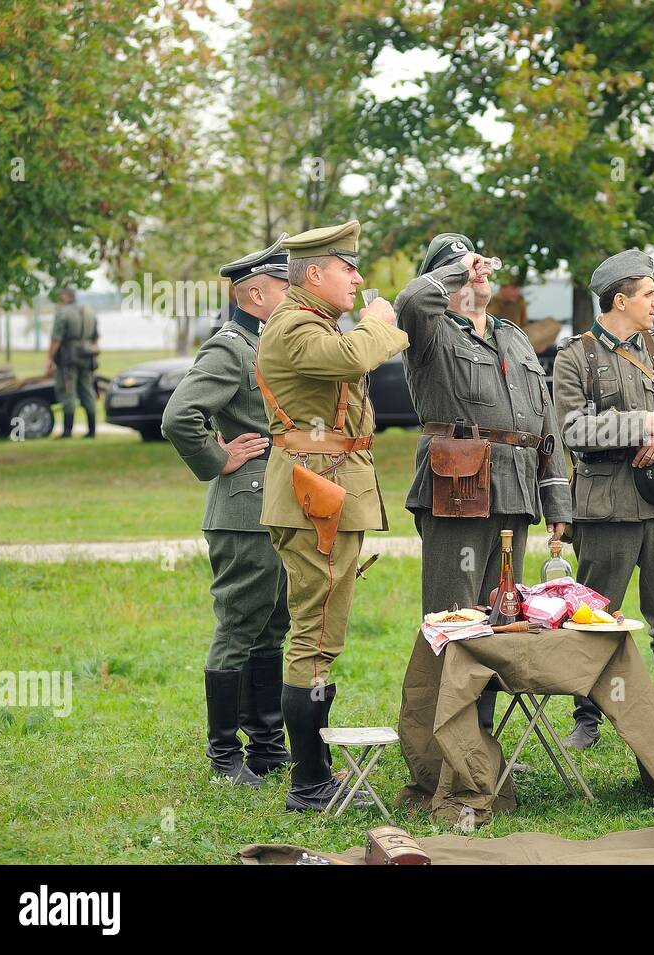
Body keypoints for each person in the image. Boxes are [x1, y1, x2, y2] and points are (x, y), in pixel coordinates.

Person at [392, 233, 571, 805]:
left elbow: (544, 424)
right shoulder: (430, 331)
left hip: (515, 494)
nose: (477, 276)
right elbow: (411, 301)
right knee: (452, 625)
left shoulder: (514, 337)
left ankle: (478, 750)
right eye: (461, 270)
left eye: (480, 267)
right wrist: (455, 272)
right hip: (457, 489)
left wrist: (557, 503)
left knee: (498, 623)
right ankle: (441, 764)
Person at [256, 219, 410, 811]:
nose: (358, 278)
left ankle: (314, 774)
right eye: (348, 268)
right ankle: (309, 783)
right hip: (313, 497)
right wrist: (380, 322)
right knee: (313, 638)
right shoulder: (294, 326)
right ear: (314, 273)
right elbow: (352, 359)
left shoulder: (310, 321)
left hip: (326, 493)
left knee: (323, 635)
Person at [552, 249, 654, 750]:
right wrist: (642, 424)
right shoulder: (575, 356)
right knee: (596, 615)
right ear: (620, 300)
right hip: (606, 507)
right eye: (649, 295)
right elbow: (573, 428)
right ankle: (587, 717)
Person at [162, 238, 292, 787]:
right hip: (244, 511)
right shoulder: (231, 347)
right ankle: (224, 757)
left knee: (272, 627)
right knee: (240, 627)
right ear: (256, 293)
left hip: (278, 506)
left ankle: (265, 745)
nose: (295, 294)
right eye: (286, 287)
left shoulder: (266, 343)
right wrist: (217, 458)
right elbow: (179, 416)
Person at [46, 287, 99, 439]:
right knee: (87, 390)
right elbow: (95, 338)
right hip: (87, 356)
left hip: (68, 358)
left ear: (66, 296)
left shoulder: (63, 313)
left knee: (68, 391)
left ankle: (67, 431)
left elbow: (56, 340)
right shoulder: (90, 312)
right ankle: (92, 430)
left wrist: (49, 359)